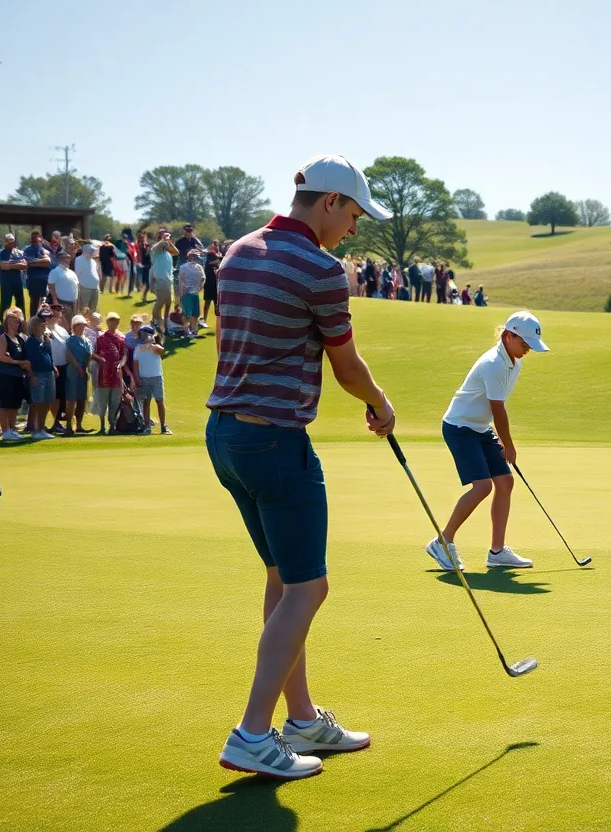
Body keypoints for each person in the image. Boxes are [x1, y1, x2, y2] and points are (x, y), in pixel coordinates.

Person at [206, 154, 395, 780]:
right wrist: (381, 405)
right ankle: (253, 734)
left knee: (283, 579)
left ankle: (303, 719)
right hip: (275, 441)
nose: (356, 228)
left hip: (226, 435)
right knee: (310, 587)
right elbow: (346, 366)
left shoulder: (236, 252)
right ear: (331, 202)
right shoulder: (320, 269)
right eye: (355, 214)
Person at [423, 311, 549, 571]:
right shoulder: (494, 363)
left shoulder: (514, 361)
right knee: (482, 487)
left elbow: (494, 409)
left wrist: (500, 439)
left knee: (505, 482)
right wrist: (508, 444)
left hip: (480, 428)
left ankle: (497, 552)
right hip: (460, 427)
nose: (527, 350)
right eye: (524, 344)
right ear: (508, 336)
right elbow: (498, 408)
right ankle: (442, 542)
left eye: (530, 346)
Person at [0, 309, 30, 442]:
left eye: (17, 321)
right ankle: (5, 431)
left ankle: (12, 428)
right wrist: (19, 362)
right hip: (5, 374)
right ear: (7, 322)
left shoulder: (20, 338)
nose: (16, 323)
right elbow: (2, 357)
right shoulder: (3, 338)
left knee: (15, 404)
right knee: (5, 404)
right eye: (13, 321)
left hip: (17, 375)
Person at [92, 311, 126, 435]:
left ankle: (112, 426)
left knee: (115, 401)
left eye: (116, 321)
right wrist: (100, 359)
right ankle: (102, 427)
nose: (113, 323)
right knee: (102, 401)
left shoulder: (121, 339)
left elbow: (124, 355)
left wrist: (121, 364)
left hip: (116, 374)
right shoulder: (101, 338)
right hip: (104, 373)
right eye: (111, 320)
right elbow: (93, 353)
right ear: (107, 322)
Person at [24, 314, 58, 440]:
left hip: (48, 373)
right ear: (34, 326)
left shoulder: (45, 340)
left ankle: (41, 428)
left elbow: (48, 356)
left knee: (46, 402)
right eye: (41, 324)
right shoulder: (31, 341)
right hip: (38, 373)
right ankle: (35, 430)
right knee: (38, 402)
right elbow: (31, 359)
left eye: (44, 324)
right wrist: (32, 376)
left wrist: (53, 366)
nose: (44, 326)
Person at [133, 325, 168, 435]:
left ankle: (163, 426)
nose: (142, 337)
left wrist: (151, 343)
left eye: (144, 334)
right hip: (143, 378)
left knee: (160, 401)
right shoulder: (138, 349)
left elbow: (162, 351)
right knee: (146, 403)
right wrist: (137, 378)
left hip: (156, 377)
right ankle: (147, 427)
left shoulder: (155, 347)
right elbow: (135, 366)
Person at [63, 314, 93, 436]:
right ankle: (68, 426)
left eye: (83, 325)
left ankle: (79, 425)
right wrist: (79, 367)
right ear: (74, 327)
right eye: (79, 325)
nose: (81, 328)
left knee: (81, 399)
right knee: (71, 399)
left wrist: (85, 369)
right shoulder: (70, 340)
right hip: (73, 371)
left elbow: (89, 356)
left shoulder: (87, 341)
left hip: (82, 373)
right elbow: (69, 356)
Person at [150, 230, 179, 330]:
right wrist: (164, 239)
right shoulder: (155, 250)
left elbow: (176, 252)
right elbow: (158, 246)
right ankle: (154, 321)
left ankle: (165, 323)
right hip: (160, 279)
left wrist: (169, 242)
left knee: (168, 303)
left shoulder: (167, 252)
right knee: (160, 302)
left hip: (168, 280)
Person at [0, 233, 27, 317]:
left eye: (12, 242)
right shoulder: (1, 253)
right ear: (5, 242)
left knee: (20, 302)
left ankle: (22, 321)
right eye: (9, 242)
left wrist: (10, 265)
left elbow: (24, 265)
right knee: (5, 303)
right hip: (6, 281)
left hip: (17, 280)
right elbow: (3, 266)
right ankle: (3, 322)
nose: (11, 244)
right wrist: (17, 264)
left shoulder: (19, 252)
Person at [24, 231, 53, 314]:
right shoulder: (27, 250)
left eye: (38, 241)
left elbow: (47, 262)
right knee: (34, 304)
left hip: (45, 281)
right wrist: (41, 262)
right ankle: (33, 323)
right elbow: (26, 263)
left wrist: (33, 262)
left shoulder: (45, 251)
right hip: (33, 281)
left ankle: (42, 321)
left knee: (44, 304)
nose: (36, 243)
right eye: (34, 241)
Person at [178, 249, 205, 335]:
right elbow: (182, 281)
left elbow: (202, 279)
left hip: (194, 294)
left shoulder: (199, 267)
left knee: (195, 314)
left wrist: (200, 286)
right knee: (187, 314)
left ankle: (193, 330)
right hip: (187, 294)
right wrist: (182, 294)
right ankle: (187, 330)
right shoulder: (183, 267)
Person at [48, 249, 80, 318]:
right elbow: (51, 286)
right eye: (65, 258)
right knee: (63, 321)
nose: (67, 260)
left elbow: (76, 287)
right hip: (61, 301)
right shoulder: (55, 271)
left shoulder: (72, 272)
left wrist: (77, 303)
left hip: (73, 302)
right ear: (59, 260)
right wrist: (55, 300)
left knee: (71, 321)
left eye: (69, 258)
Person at [74, 242, 102, 314]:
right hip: (84, 288)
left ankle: (92, 324)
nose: (93, 252)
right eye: (92, 250)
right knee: (83, 309)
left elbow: (96, 273)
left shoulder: (93, 261)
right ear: (86, 251)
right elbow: (77, 274)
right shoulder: (79, 260)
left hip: (95, 288)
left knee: (93, 310)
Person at [201, 240, 222, 327]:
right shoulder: (210, 256)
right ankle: (204, 321)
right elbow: (211, 261)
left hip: (217, 284)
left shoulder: (218, 257)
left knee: (217, 306)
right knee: (207, 304)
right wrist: (219, 258)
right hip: (209, 283)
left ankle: (219, 323)